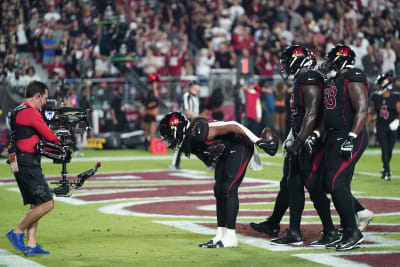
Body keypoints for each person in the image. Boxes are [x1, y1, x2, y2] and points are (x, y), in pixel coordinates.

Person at [159, 111, 277, 248]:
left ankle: (231, 237)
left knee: (228, 189)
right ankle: (220, 235)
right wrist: (211, 161)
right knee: (219, 190)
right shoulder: (186, 142)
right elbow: (202, 155)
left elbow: (233, 125)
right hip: (226, 151)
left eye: (168, 136)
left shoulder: (199, 131)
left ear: (178, 130)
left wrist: (257, 140)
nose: (168, 140)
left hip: (240, 145)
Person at [262, 45, 337, 246]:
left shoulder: (309, 78)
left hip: (310, 141)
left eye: (287, 61)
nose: (285, 66)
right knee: (292, 183)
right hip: (301, 137)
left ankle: (330, 230)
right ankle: (294, 232)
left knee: (313, 186)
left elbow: (312, 113)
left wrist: (301, 140)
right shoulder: (306, 77)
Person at [315, 44, 370, 250]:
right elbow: (328, 113)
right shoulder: (333, 80)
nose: (328, 62)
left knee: (335, 182)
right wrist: (317, 133)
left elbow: (362, 109)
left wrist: (352, 136)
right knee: (331, 184)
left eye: (331, 58)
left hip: (349, 135)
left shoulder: (352, 75)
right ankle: (354, 221)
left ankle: (352, 231)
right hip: (333, 136)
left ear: (342, 59)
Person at [6, 81, 60, 256]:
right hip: (26, 161)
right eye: (44, 97)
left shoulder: (17, 110)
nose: (45, 102)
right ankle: (17, 232)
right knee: (47, 203)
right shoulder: (30, 112)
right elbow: (49, 135)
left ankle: (31, 244)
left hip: (18, 159)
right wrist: (61, 141)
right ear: (37, 96)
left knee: (35, 203)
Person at [368, 73, 400, 181]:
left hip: (392, 127)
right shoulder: (375, 96)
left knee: (389, 150)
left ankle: (384, 167)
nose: (377, 86)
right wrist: (365, 124)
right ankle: (387, 171)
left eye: (379, 84)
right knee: (385, 149)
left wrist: (397, 121)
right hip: (381, 126)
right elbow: (372, 113)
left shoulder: (395, 96)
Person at [170, 81, 200, 169]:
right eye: (197, 85)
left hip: (195, 122)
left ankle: (211, 162)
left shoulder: (196, 97)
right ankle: (174, 164)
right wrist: (199, 117)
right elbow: (187, 111)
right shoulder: (187, 95)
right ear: (193, 86)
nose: (199, 87)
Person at [142, 73, 160, 150]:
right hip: (150, 115)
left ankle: (148, 146)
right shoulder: (153, 95)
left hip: (150, 115)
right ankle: (147, 146)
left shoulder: (153, 96)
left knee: (149, 132)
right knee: (149, 132)